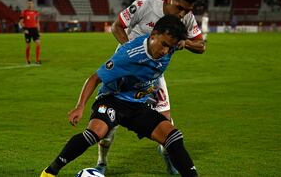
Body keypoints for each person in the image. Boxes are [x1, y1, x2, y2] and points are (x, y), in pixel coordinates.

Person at [40, 15, 198, 177]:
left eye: (170, 47)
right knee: (94, 134)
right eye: (164, 44)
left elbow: (197, 46)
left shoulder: (171, 47)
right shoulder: (129, 54)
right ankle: (50, 172)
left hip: (137, 105)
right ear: (153, 34)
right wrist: (80, 107)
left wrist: (185, 42)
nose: (165, 51)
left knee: (173, 137)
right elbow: (95, 78)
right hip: (112, 100)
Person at [96, 0, 205, 175]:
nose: (182, 14)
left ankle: (169, 159)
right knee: (108, 122)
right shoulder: (145, 6)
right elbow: (117, 26)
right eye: (179, 8)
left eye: (186, 10)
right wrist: (132, 53)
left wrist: (185, 42)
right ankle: (102, 163)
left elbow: (201, 46)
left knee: (167, 124)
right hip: (124, 73)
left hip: (153, 76)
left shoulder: (186, 18)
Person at [19, 0, 41, 64]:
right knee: (28, 45)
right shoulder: (24, 12)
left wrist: (39, 30)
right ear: (27, 5)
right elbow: (21, 22)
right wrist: (24, 29)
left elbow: (37, 22)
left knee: (38, 43)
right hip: (27, 30)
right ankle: (27, 60)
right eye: (28, 4)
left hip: (34, 30)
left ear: (33, 4)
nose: (30, 5)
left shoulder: (36, 12)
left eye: (31, 3)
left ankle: (37, 60)